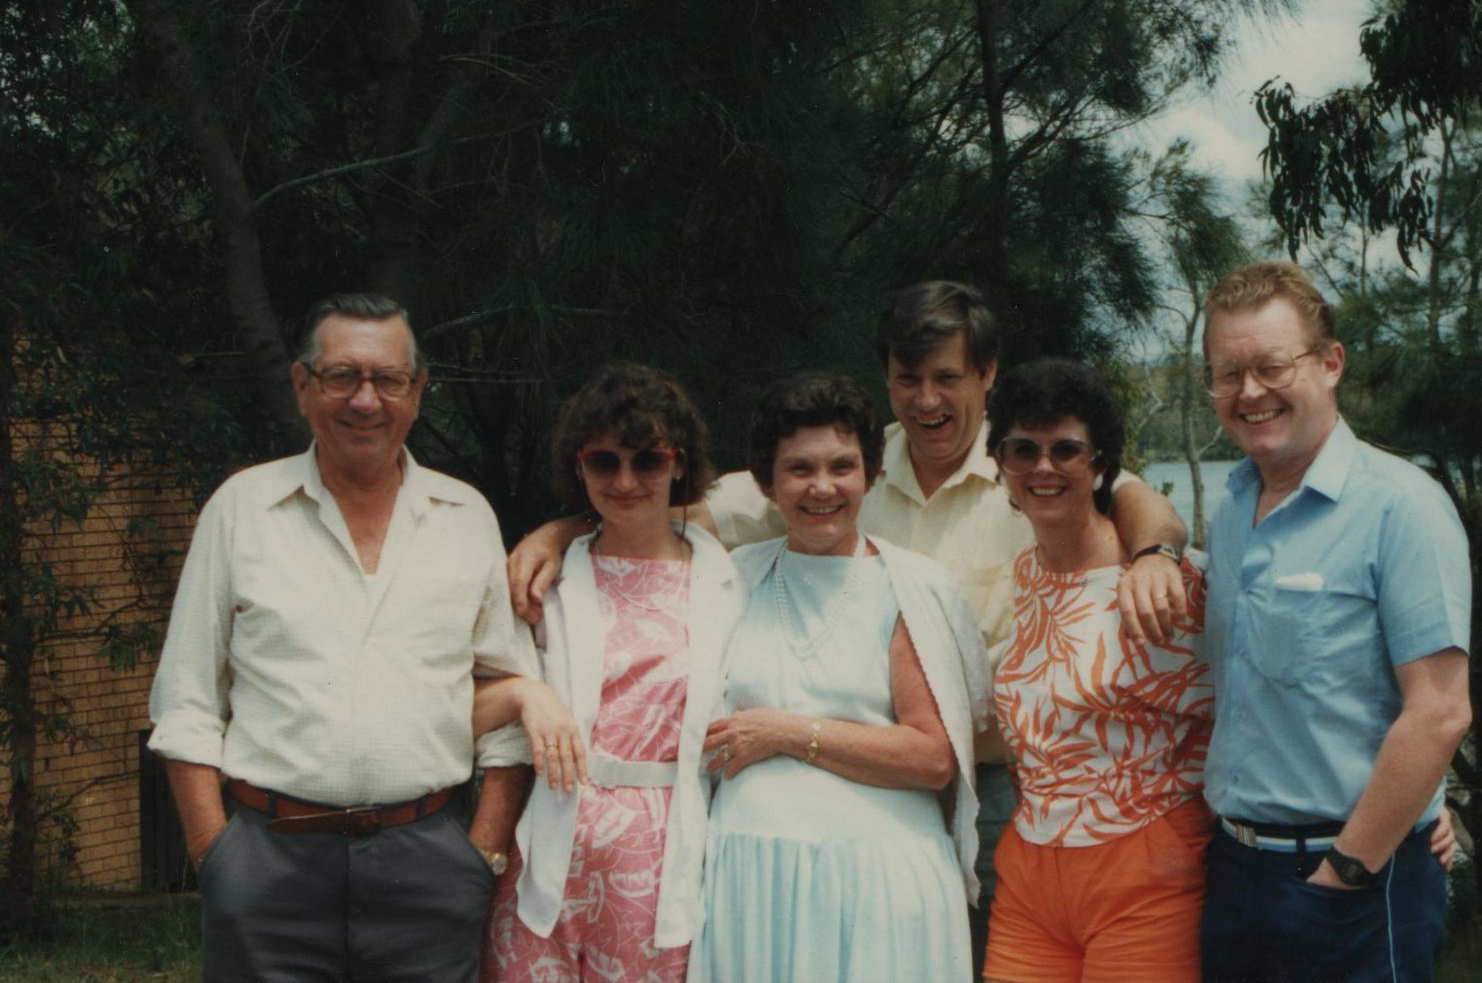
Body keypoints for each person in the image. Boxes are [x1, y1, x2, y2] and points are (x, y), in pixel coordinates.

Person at [508, 280, 1191, 971]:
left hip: (1002, 789)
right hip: (769, 859)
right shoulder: (838, 464)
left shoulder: (1030, 464)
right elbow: (654, 509)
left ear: (986, 375)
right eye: (907, 379)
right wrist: (557, 534)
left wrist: (1157, 554)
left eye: (946, 378)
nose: (926, 399)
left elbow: (1134, 503)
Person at [147, 294, 544, 983]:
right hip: (267, 867)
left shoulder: (464, 517)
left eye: (389, 379)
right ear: (303, 387)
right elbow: (186, 700)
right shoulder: (241, 510)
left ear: (417, 392)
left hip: (428, 867)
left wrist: (479, 853)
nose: (366, 401)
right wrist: (216, 853)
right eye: (342, 377)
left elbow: (505, 697)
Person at [1194, 262, 1471, 983]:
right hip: (1231, 873)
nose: (1248, 391)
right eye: (1227, 372)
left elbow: (1438, 713)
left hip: (1349, 877)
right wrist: (1154, 548)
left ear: (1330, 363)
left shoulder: (1401, 507)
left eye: (1270, 366)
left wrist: (1347, 870)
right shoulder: (1230, 512)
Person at [687, 372, 990, 983]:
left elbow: (934, 757)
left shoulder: (908, 585)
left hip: (878, 883)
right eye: (799, 469)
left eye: (842, 466)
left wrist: (786, 733)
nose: (822, 487)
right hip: (752, 880)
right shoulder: (728, 578)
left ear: (871, 474)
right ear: (768, 483)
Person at [473, 365, 745, 983]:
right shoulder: (542, 580)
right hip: (549, 843)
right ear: (579, 466)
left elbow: (810, 492)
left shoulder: (730, 582)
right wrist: (525, 695)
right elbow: (458, 707)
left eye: (647, 461)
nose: (625, 481)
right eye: (604, 462)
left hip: (665, 855)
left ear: (678, 464)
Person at [980, 358, 1213, 983]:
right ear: (1002, 464)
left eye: (1066, 450)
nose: (1044, 467)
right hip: (1032, 868)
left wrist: (1424, 802)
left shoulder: (1162, 578)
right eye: (1023, 449)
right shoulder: (1027, 573)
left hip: (1143, 862)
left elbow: (1258, 698)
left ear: (1101, 462)